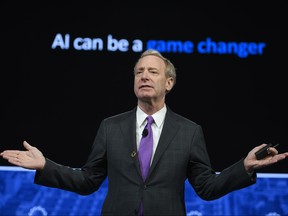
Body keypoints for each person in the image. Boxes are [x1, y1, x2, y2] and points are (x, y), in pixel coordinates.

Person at [1, 49, 288, 216]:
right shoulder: (110, 126)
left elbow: (207, 188)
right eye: (139, 72)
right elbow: (88, 181)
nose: (144, 77)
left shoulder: (189, 131)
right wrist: (45, 165)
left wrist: (244, 167)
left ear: (169, 83)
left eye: (152, 72)